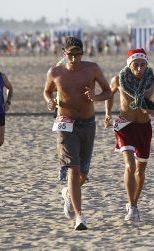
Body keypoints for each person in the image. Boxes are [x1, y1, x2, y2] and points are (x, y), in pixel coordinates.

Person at [43, 37, 112, 230]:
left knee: (83, 174)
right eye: (70, 55)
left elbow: (108, 92)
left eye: (78, 54)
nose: (74, 59)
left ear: (83, 53)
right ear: (64, 53)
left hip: (88, 123)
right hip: (66, 124)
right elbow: (47, 91)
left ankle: (67, 194)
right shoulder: (55, 72)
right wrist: (49, 101)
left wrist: (95, 97)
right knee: (73, 169)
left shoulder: (92, 69)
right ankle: (79, 217)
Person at [104, 48, 154, 222]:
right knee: (130, 166)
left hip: (144, 127)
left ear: (147, 64)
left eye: (142, 64)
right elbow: (109, 95)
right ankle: (131, 206)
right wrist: (108, 113)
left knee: (141, 170)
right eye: (136, 65)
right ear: (129, 65)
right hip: (125, 126)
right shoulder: (118, 80)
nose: (139, 68)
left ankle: (134, 204)